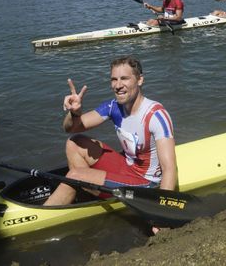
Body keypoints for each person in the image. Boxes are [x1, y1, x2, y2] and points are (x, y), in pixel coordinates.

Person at [44, 56, 178, 217]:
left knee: (75, 175)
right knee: (74, 142)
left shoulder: (156, 116)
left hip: (146, 182)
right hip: (127, 166)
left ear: (140, 80)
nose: (118, 85)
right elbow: (71, 128)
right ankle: (86, 189)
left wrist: (161, 214)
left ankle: (47, 213)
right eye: (114, 79)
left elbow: (169, 169)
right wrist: (74, 113)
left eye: (124, 78)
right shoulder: (113, 107)